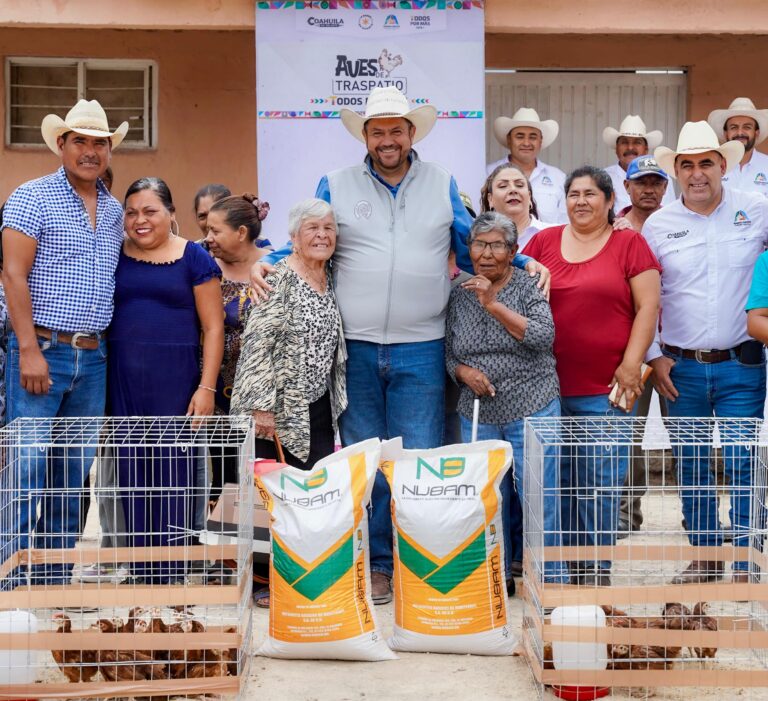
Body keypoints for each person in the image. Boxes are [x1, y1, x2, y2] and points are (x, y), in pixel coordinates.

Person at [251, 86, 550, 604]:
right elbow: (311, 234)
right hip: (358, 350)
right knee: (365, 465)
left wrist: (523, 262)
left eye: (396, 129)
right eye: (377, 130)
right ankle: (380, 566)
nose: (386, 139)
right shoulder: (337, 183)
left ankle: (421, 567)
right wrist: (268, 259)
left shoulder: (441, 183)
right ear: (364, 136)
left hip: (423, 347)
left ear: (412, 134)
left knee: (417, 466)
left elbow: (469, 242)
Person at [2, 99, 127, 584]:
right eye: (81, 141)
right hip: (43, 351)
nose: (91, 151)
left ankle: (50, 583)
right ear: (61, 144)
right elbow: (13, 275)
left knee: (70, 476)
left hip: (93, 357)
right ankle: (8, 584)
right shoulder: (31, 196)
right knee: (26, 468)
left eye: (100, 143)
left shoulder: (115, 212)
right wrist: (29, 349)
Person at [644, 121, 768, 585]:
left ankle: (747, 558)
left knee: (742, 460)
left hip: (744, 361)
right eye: (688, 165)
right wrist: (654, 355)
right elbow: (646, 295)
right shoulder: (659, 224)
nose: (698, 174)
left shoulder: (757, 210)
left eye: (706, 164)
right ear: (676, 171)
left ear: (723, 166)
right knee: (691, 464)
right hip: (680, 367)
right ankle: (706, 555)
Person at [524, 165, 661, 586]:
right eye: (573, 194)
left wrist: (631, 362)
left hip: (608, 387)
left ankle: (595, 570)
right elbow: (512, 272)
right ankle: (561, 570)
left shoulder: (629, 243)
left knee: (600, 484)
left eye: (590, 194)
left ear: (607, 201)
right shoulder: (543, 241)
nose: (580, 201)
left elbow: (648, 307)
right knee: (557, 483)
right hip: (546, 388)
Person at [109, 177, 223, 582]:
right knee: (132, 478)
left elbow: (213, 328)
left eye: (150, 211)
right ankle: (142, 575)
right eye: (132, 212)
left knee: (174, 478)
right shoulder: (113, 254)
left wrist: (206, 387)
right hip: (122, 384)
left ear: (171, 215)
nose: (140, 220)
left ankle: (171, 576)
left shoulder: (193, 258)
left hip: (177, 385)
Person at [446, 211, 566, 591]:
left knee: (538, 499)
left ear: (513, 250)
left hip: (532, 404)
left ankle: (548, 583)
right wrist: (463, 373)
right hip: (478, 415)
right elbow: (450, 354)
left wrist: (492, 303)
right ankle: (494, 582)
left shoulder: (528, 286)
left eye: (497, 245)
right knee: (486, 501)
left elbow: (542, 337)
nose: (486, 253)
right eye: (479, 244)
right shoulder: (458, 294)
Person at [611, 155, 672, 536]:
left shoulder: (676, 224)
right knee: (626, 436)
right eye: (641, 183)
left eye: (656, 182)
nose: (648, 189)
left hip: (671, 350)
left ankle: (692, 520)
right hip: (626, 351)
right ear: (627, 187)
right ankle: (625, 516)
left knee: (682, 436)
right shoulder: (609, 228)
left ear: (665, 187)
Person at [204, 193, 268, 494]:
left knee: (260, 478)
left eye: (216, 230)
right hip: (217, 398)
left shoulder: (273, 268)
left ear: (241, 233)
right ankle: (225, 540)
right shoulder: (204, 267)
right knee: (224, 480)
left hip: (263, 400)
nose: (208, 237)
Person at [488, 108, 567, 223]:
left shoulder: (558, 178)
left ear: (540, 141)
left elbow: (565, 222)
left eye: (533, 137)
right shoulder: (489, 173)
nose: (526, 143)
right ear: (509, 140)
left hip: (548, 241)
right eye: (520, 136)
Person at [602, 115, 676, 212]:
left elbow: (669, 213)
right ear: (616, 148)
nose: (630, 148)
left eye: (637, 142)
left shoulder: (662, 177)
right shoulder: (603, 178)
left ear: (646, 149)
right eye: (624, 142)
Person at [481, 164, 554, 249]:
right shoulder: (478, 238)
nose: (513, 190)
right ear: (490, 199)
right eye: (503, 186)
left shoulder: (555, 233)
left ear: (529, 196)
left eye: (519, 185)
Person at [708, 97, 768, 197]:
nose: (740, 133)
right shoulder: (713, 166)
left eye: (747, 127)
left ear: (756, 133)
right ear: (725, 133)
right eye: (734, 127)